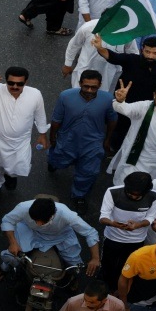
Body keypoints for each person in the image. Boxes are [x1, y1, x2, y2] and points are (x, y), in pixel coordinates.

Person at [0, 67, 49, 204]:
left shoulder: (35, 94)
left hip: (19, 142)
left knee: (15, 166)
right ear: (6, 81)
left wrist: (42, 135)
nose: (15, 86)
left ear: (26, 82)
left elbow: (40, 115)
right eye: (11, 83)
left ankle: (10, 176)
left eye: (20, 84)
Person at [48, 71, 117, 211]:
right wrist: (52, 138)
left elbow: (112, 120)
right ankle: (53, 162)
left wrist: (107, 140)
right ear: (80, 84)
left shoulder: (108, 99)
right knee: (58, 160)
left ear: (100, 85)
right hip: (68, 139)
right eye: (86, 87)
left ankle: (79, 195)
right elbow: (56, 120)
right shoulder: (65, 96)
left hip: (93, 143)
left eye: (94, 87)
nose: (90, 91)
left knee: (88, 171)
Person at [0, 197, 101, 279]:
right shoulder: (23, 207)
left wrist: (95, 258)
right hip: (31, 231)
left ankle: (71, 278)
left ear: (52, 215)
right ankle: (5, 266)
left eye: (41, 221)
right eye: (34, 220)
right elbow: (7, 221)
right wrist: (13, 243)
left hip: (61, 235)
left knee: (75, 264)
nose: (37, 224)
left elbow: (90, 233)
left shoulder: (67, 215)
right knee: (13, 255)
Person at [98, 171, 156, 289]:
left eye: (138, 196)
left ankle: (119, 288)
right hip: (112, 238)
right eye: (130, 194)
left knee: (127, 267)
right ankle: (102, 287)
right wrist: (113, 223)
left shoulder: (154, 196)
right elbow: (103, 217)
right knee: (107, 265)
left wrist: (138, 225)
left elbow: (150, 217)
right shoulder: (112, 192)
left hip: (137, 241)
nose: (134, 197)